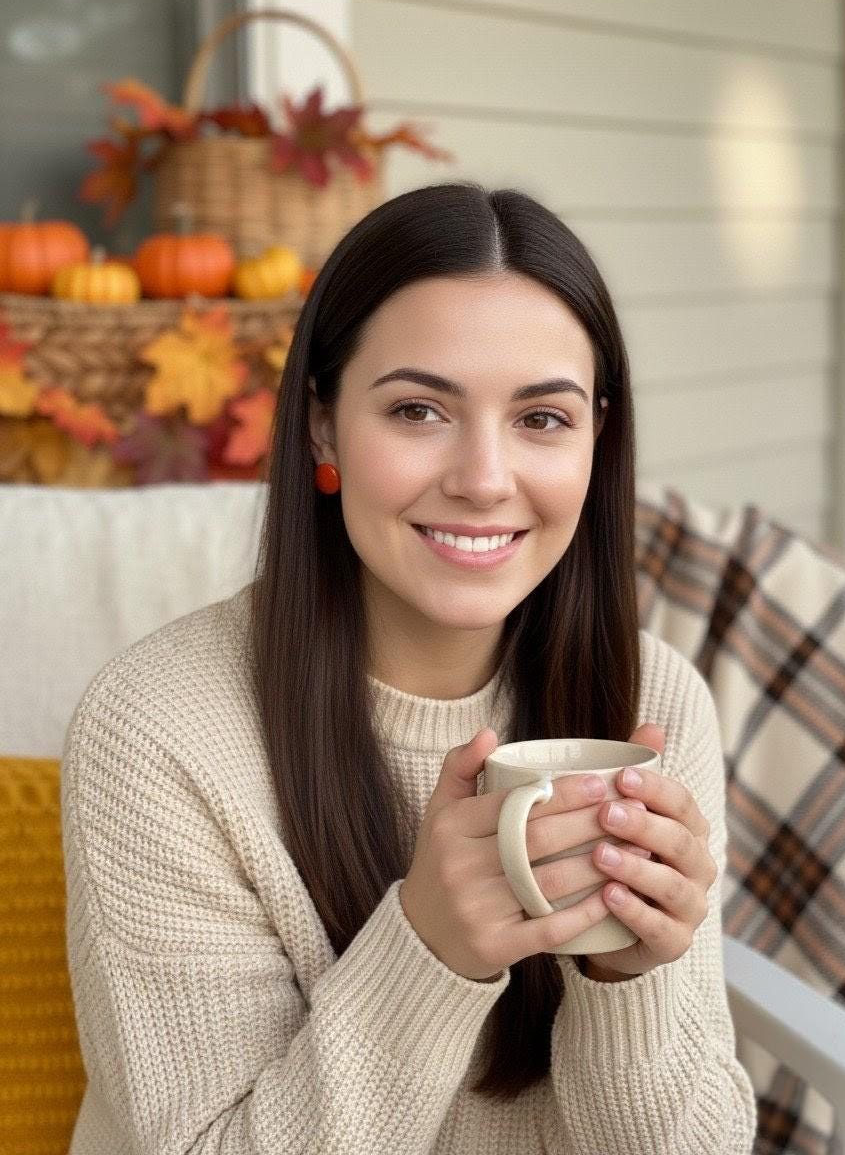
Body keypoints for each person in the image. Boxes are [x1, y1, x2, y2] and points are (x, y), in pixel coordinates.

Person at [61, 182, 758, 1153]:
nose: (482, 477)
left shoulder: (652, 704)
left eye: (542, 419)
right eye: (420, 408)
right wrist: (427, 952)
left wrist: (628, 980)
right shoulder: (160, 728)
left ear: (599, 437)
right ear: (322, 426)